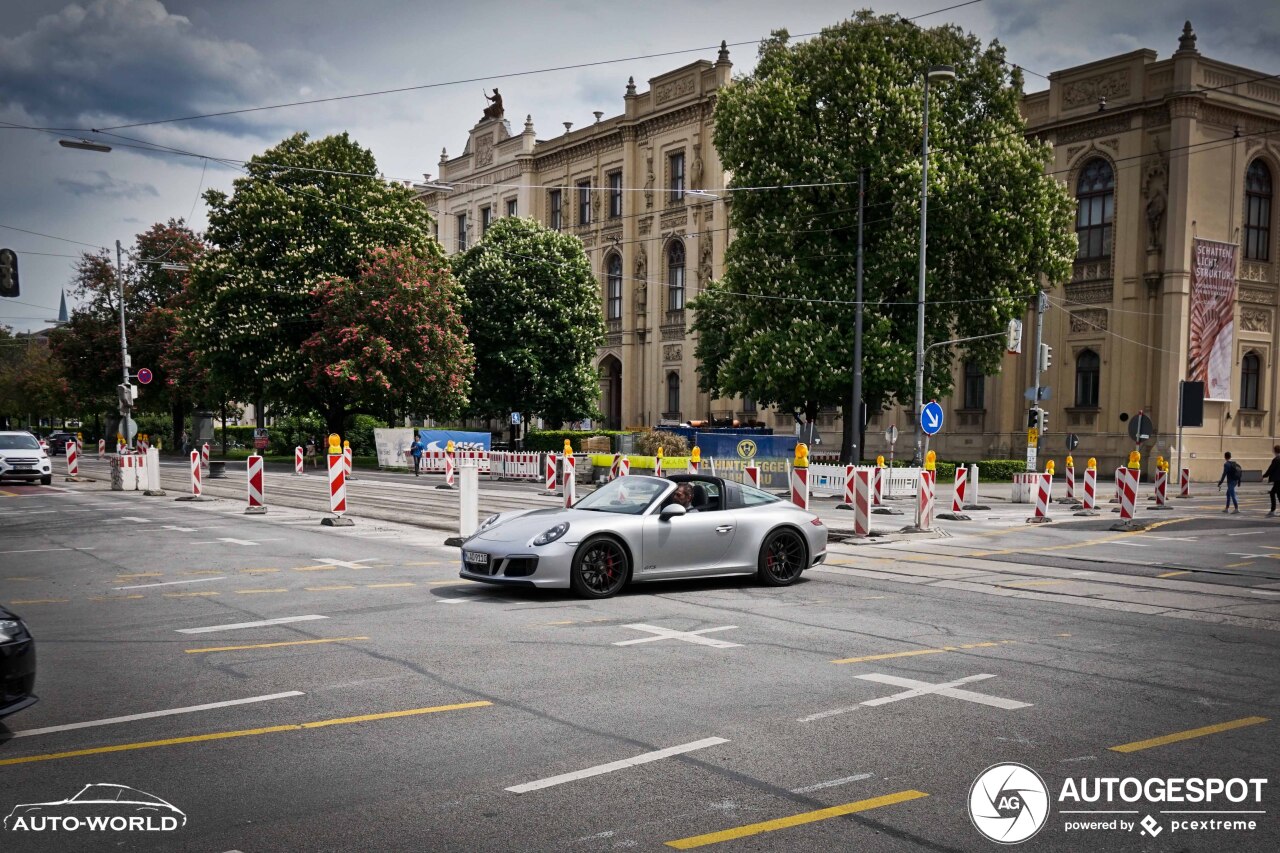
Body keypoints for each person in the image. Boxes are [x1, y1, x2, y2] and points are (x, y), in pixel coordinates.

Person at [1264, 444, 1280, 518]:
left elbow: (1271, 469)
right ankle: (1272, 510)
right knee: (1278, 494)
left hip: (1278, 480)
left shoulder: (1276, 459)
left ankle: (1272, 510)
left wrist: (1264, 475)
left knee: (1272, 493)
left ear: (1275, 451)